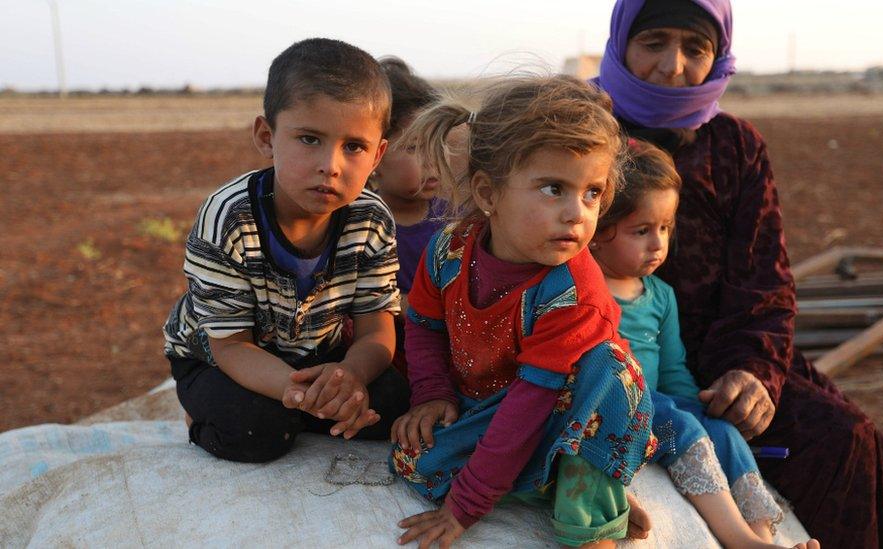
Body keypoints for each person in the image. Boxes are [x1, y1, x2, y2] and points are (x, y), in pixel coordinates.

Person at [387, 75, 816, 549]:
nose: (578, 213)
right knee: (415, 463)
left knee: (607, 368)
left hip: (573, 410)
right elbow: (424, 324)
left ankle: (593, 523)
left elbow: (532, 404)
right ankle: (558, 480)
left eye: (592, 193)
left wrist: (462, 510)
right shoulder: (449, 250)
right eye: (553, 188)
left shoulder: (572, 289)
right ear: (488, 195)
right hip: (488, 405)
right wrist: (430, 393)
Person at [594, 1, 883, 547]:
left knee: (850, 444)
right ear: (622, 43)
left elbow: (764, 281)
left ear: (719, 57)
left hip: (722, 358)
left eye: (696, 48)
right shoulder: (581, 132)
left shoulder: (735, 146)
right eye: (654, 43)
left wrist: (752, 373)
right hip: (597, 350)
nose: (673, 66)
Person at [162, 38, 410, 463]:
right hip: (222, 357)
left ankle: (308, 408)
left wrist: (348, 377)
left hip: (317, 353)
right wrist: (304, 393)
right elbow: (231, 346)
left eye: (354, 147)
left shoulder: (371, 219)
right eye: (309, 139)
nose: (331, 165)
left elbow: (376, 329)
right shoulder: (228, 219)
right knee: (257, 431)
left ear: (378, 155)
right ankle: (201, 415)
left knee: (390, 404)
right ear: (266, 136)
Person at [590, 139, 785, 541]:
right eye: (641, 230)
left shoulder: (661, 295)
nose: (658, 243)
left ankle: (763, 533)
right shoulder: (586, 288)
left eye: (665, 227)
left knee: (723, 431)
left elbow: (674, 369)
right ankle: (737, 537)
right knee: (681, 424)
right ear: (597, 231)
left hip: (661, 399)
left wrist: (704, 406)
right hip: (619, 403)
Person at [371, 57, 446, 296]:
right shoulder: (359, 224)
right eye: (413, 147)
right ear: (375, 156)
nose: (432, 159)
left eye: (436, 144)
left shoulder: (452, 224)